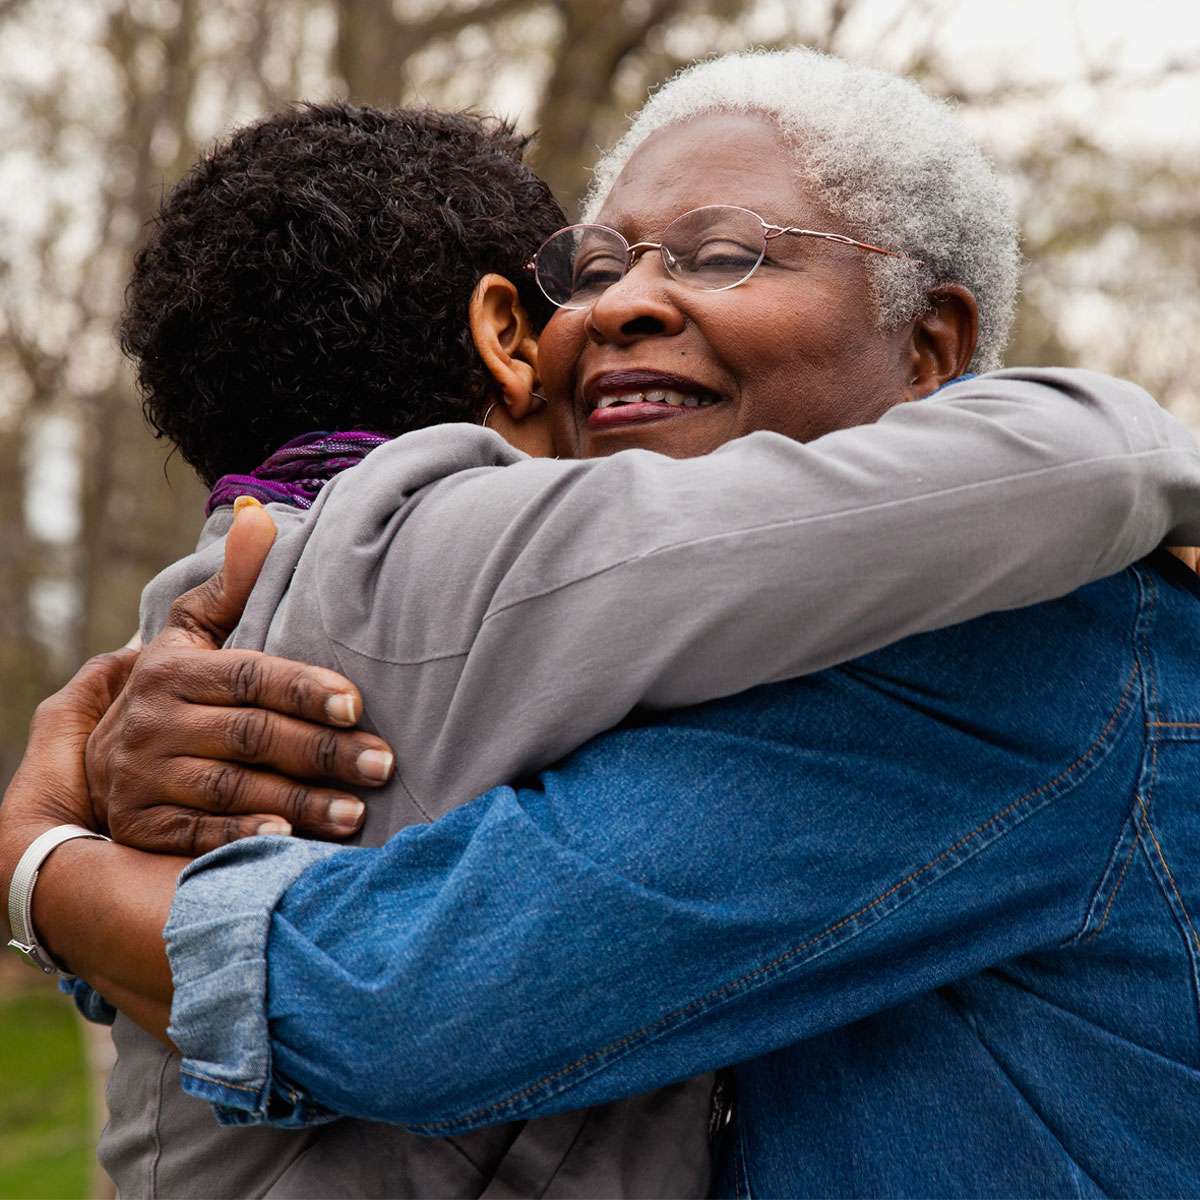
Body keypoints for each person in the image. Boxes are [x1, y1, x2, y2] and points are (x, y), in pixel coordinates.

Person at [5, 47, 1200, 1197]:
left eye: (723, 255)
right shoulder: (629, 634)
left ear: (934, 345)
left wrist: (42, 869)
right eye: (593, 269)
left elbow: (401, 999)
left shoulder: (1036, 639)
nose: (623, 305)